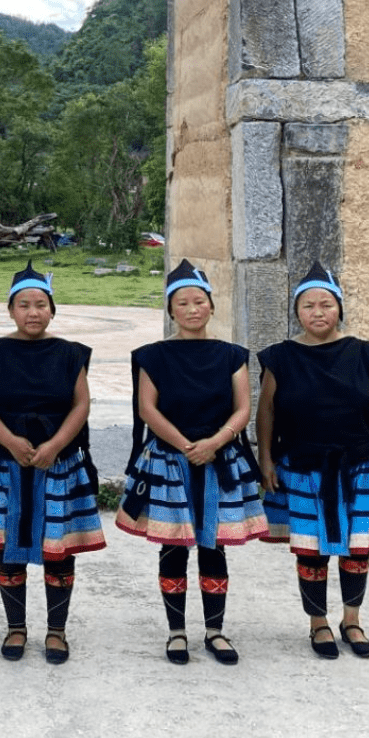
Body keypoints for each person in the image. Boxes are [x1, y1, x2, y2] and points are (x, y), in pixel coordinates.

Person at [116, 261, 267, 665]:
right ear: (171, 310)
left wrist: (214, 442)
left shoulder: (232, 355)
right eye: (182, 302)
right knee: (173, 547)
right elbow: (147, 409)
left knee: (213, 546)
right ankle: (176, 632)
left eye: (199, 301)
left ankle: (216, 630)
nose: (192, 308)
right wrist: (187, 445)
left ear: (212, 306)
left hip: (220, 460)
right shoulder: (152, 356)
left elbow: (242, 409)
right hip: (170, 461)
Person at [256, 262, 369, 659]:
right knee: (311, 550)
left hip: (359, 466)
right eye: (308, 306)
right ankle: (317, 623)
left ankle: (351, 620)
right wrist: (264, 458)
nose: (317, 312)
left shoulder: (368, 355)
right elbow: (266, 411)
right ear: (297, 312)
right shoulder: (279, 358)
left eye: (325, 304)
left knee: (358, 550)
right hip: (303, 468)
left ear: (339, 308)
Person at [0, 263, 105, 665]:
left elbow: (81, 404)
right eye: (23, 305)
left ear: (52, 310)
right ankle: (16, 627)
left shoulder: (70, 353)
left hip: (58, 465)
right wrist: (9, 440)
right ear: (10, 310)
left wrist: (56, 445)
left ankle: (56, 630)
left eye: (41, 304)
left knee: (58, 549)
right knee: (10, 546)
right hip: (6, 464)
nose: (32, 312)